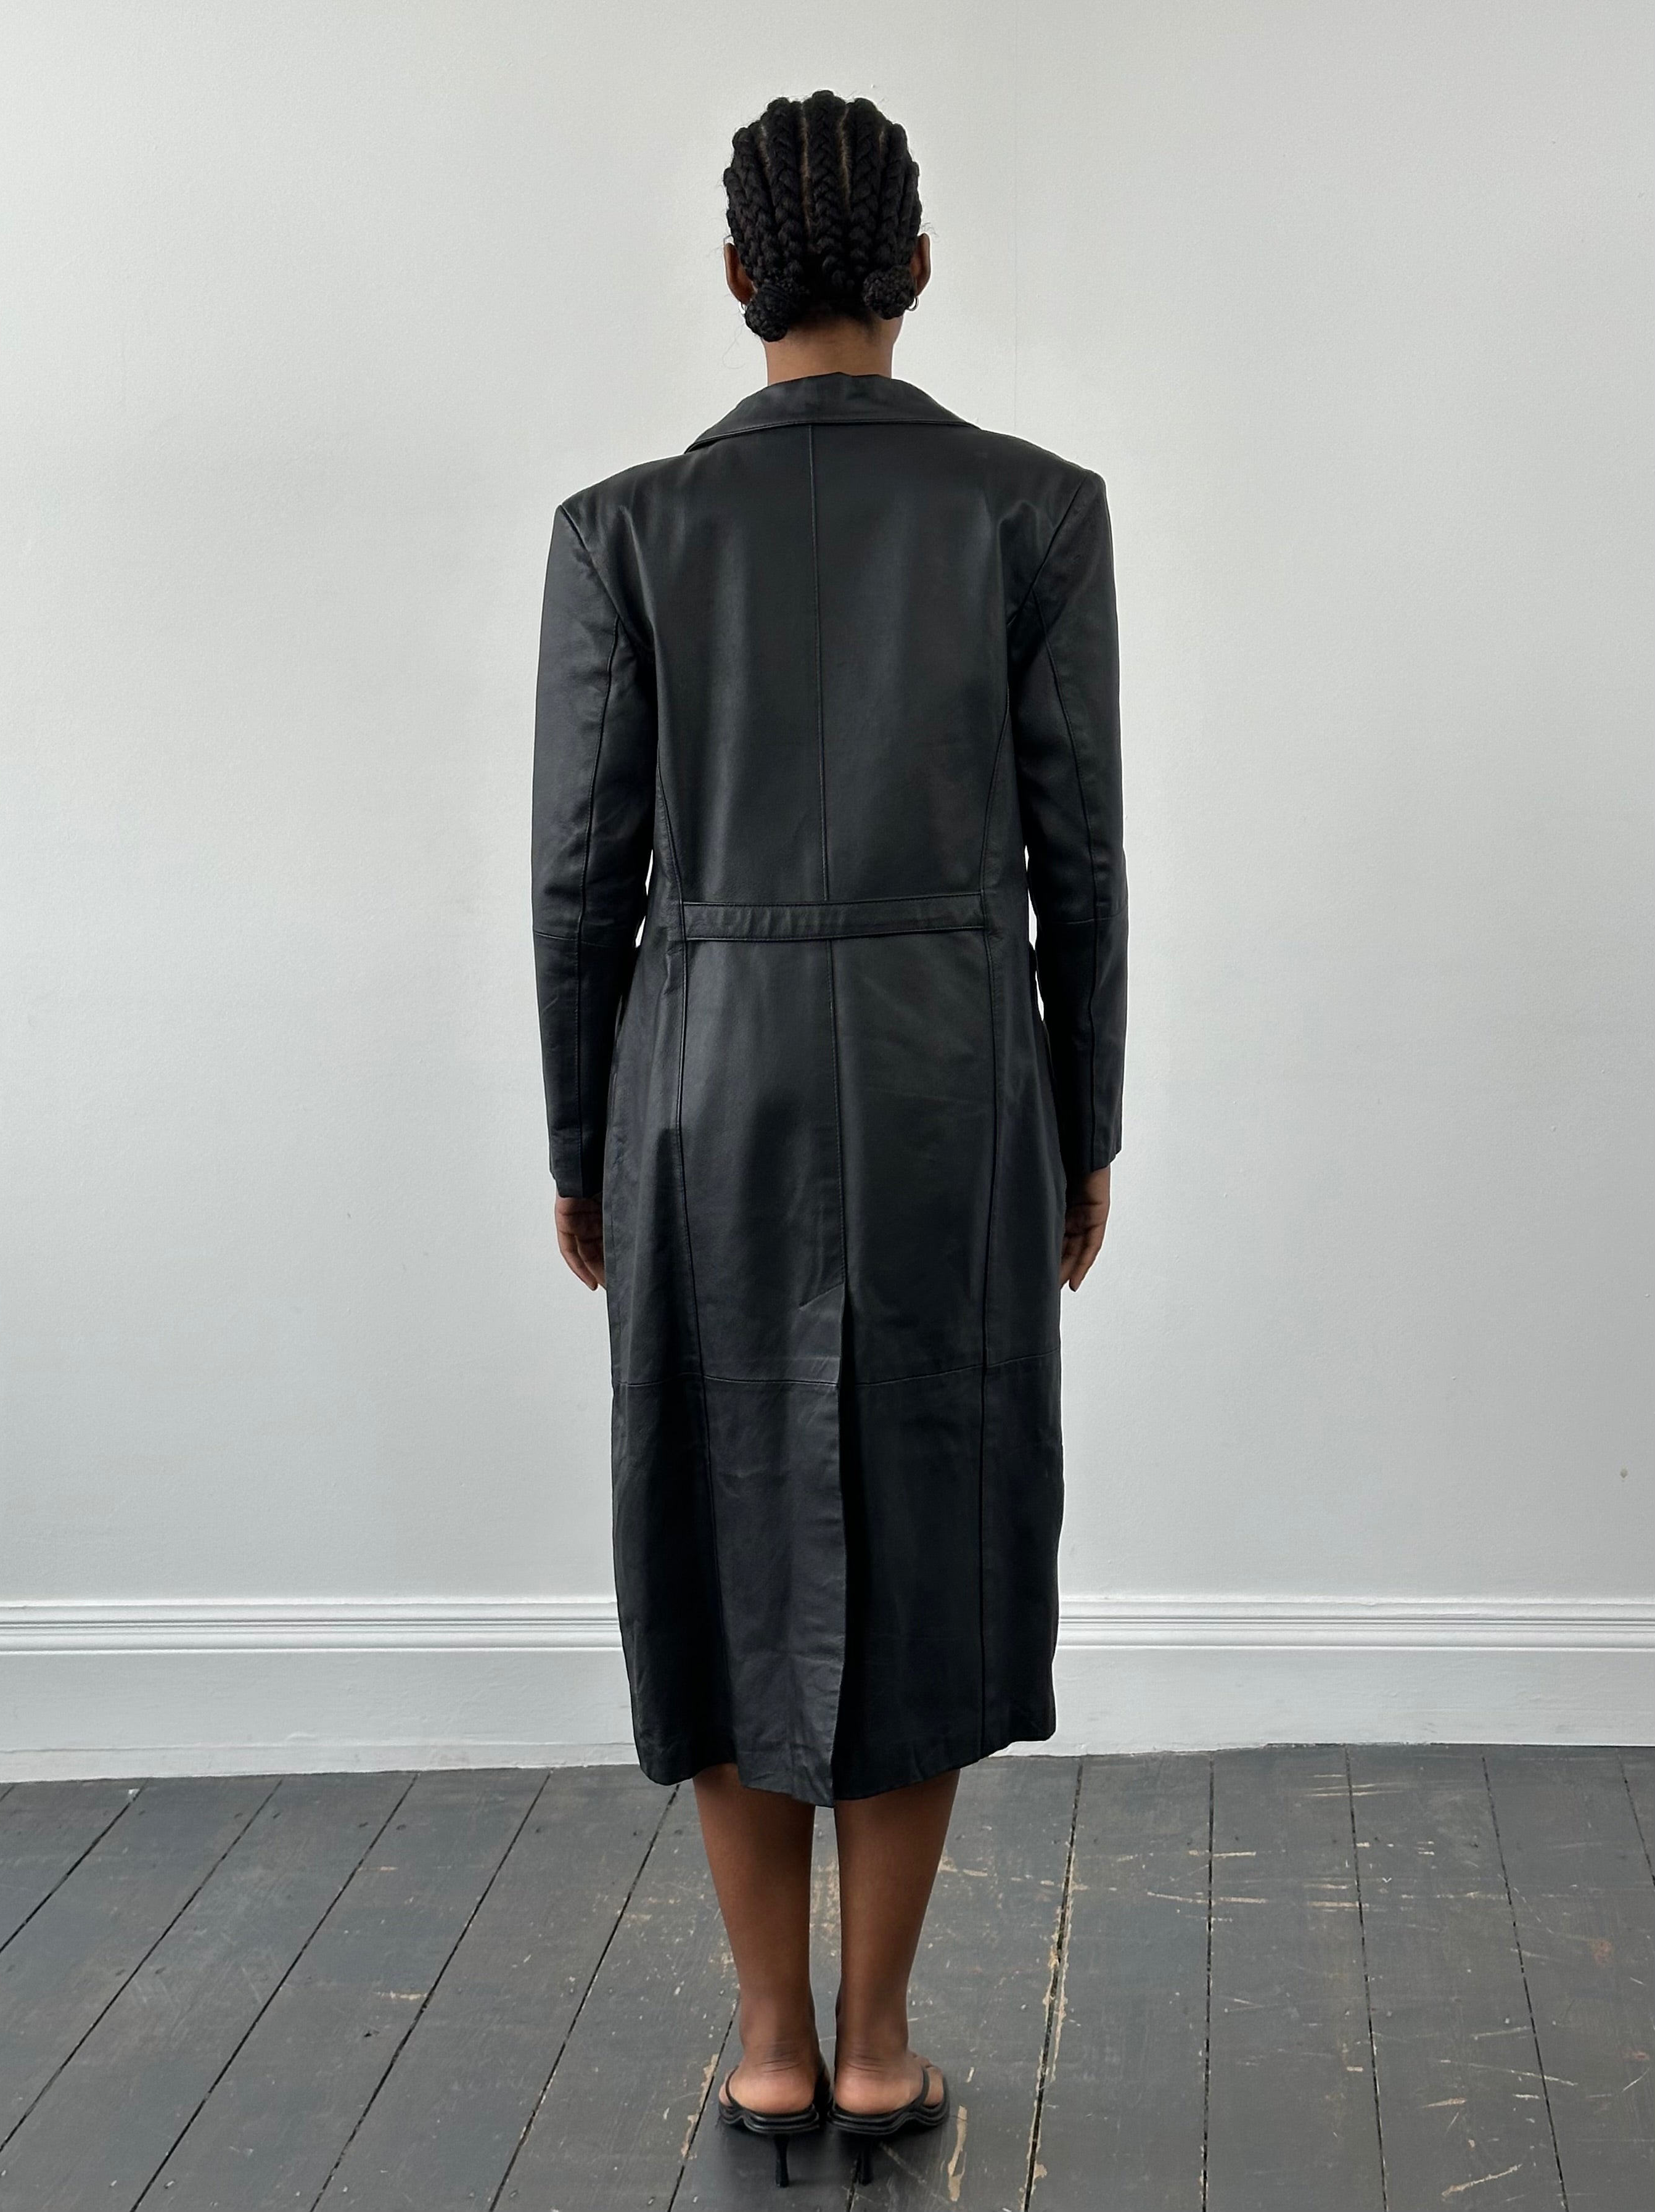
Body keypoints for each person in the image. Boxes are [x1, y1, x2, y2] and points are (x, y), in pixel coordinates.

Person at [531, 88, 1124, 2188]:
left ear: (732, 276)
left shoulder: (620, 529)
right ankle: (879, 2047)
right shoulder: (1036, 511)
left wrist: (581, 1140)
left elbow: (577, 879)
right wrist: (1085, 1120)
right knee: (923, 1509)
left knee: (722, 1515)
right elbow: (1079, 857)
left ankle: (769, 2042)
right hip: (951, 1064)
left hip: (701, 1071)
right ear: (918, 267)